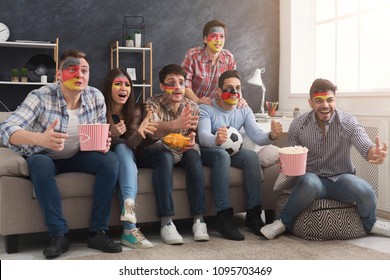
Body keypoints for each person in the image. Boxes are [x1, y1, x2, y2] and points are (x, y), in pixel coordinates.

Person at [0, 49, 122, 258]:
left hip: (78, 155)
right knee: (39, 163)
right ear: (58, 74)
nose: (79, 75)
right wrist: (39, 138)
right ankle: (59, 235)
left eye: (84, 70)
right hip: (44, 155)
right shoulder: (40, 96)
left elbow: (98, 131)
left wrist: (102, 143)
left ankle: (98, 232)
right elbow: (5, 129)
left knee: (110, 160)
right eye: (72, 69)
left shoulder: (95, 97)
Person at [260, 78, 389, 240]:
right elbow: (290, 152)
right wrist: (284, 162)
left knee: (367, 191)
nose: (325, 105)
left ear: (335, 101)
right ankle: (283, 222)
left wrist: (374, 153)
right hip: (311, 179)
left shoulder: (348, 122)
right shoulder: (298, 125)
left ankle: (370, 223)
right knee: (309, 183)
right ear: (310, 102)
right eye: (319, 100)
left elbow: (365, 145)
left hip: (340, 178)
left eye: (330, 100)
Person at [197, 70, 283, 240]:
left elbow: (257, 135)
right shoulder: (206, 109)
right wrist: (217, 139)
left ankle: (253, 215)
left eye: (238, 88)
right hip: (209, 152)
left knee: (251, 157)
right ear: (219, 92)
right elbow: (203, 137)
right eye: (229, 88)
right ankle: (223, 216)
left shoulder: (244, 110)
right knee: (222, 156)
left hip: (232, 153)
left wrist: (272, 136)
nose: (235, 92)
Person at [135, 64, 209, 245]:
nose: (177, 87)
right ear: (162, 86)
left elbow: (191, 132)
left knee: (193, 155)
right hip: (153, 151)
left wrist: (191, 138)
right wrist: (176, 124)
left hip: (182, 151)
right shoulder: (152, 103)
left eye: (181, 83)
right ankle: (166, 223)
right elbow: (152, 131)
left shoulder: (191, 106)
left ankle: (199, 220)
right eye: (171, 83)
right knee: (165, 155)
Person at [101, 68, 158, 249]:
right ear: (108, 87)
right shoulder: (98, 107)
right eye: (117, 84)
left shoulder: (135, 110)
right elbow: (95, 140)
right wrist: (112, 134)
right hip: (104, 155)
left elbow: (131, 144)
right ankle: (129, 229)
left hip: (126, 154)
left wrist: (140, 132)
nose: (123, 88)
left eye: (127, 84)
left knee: (124, 149)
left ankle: (129, 210)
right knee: (121, 150)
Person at [181, 19, 246, 107]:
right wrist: (198, 101)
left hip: (215, 109)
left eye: (222, 36)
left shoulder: (229, 58)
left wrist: (240, 99)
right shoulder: (193, 55)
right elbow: (184, 83)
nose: (218, 40)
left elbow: (234, 83)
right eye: (214, 36)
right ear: (205, 39)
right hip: (190, 107)